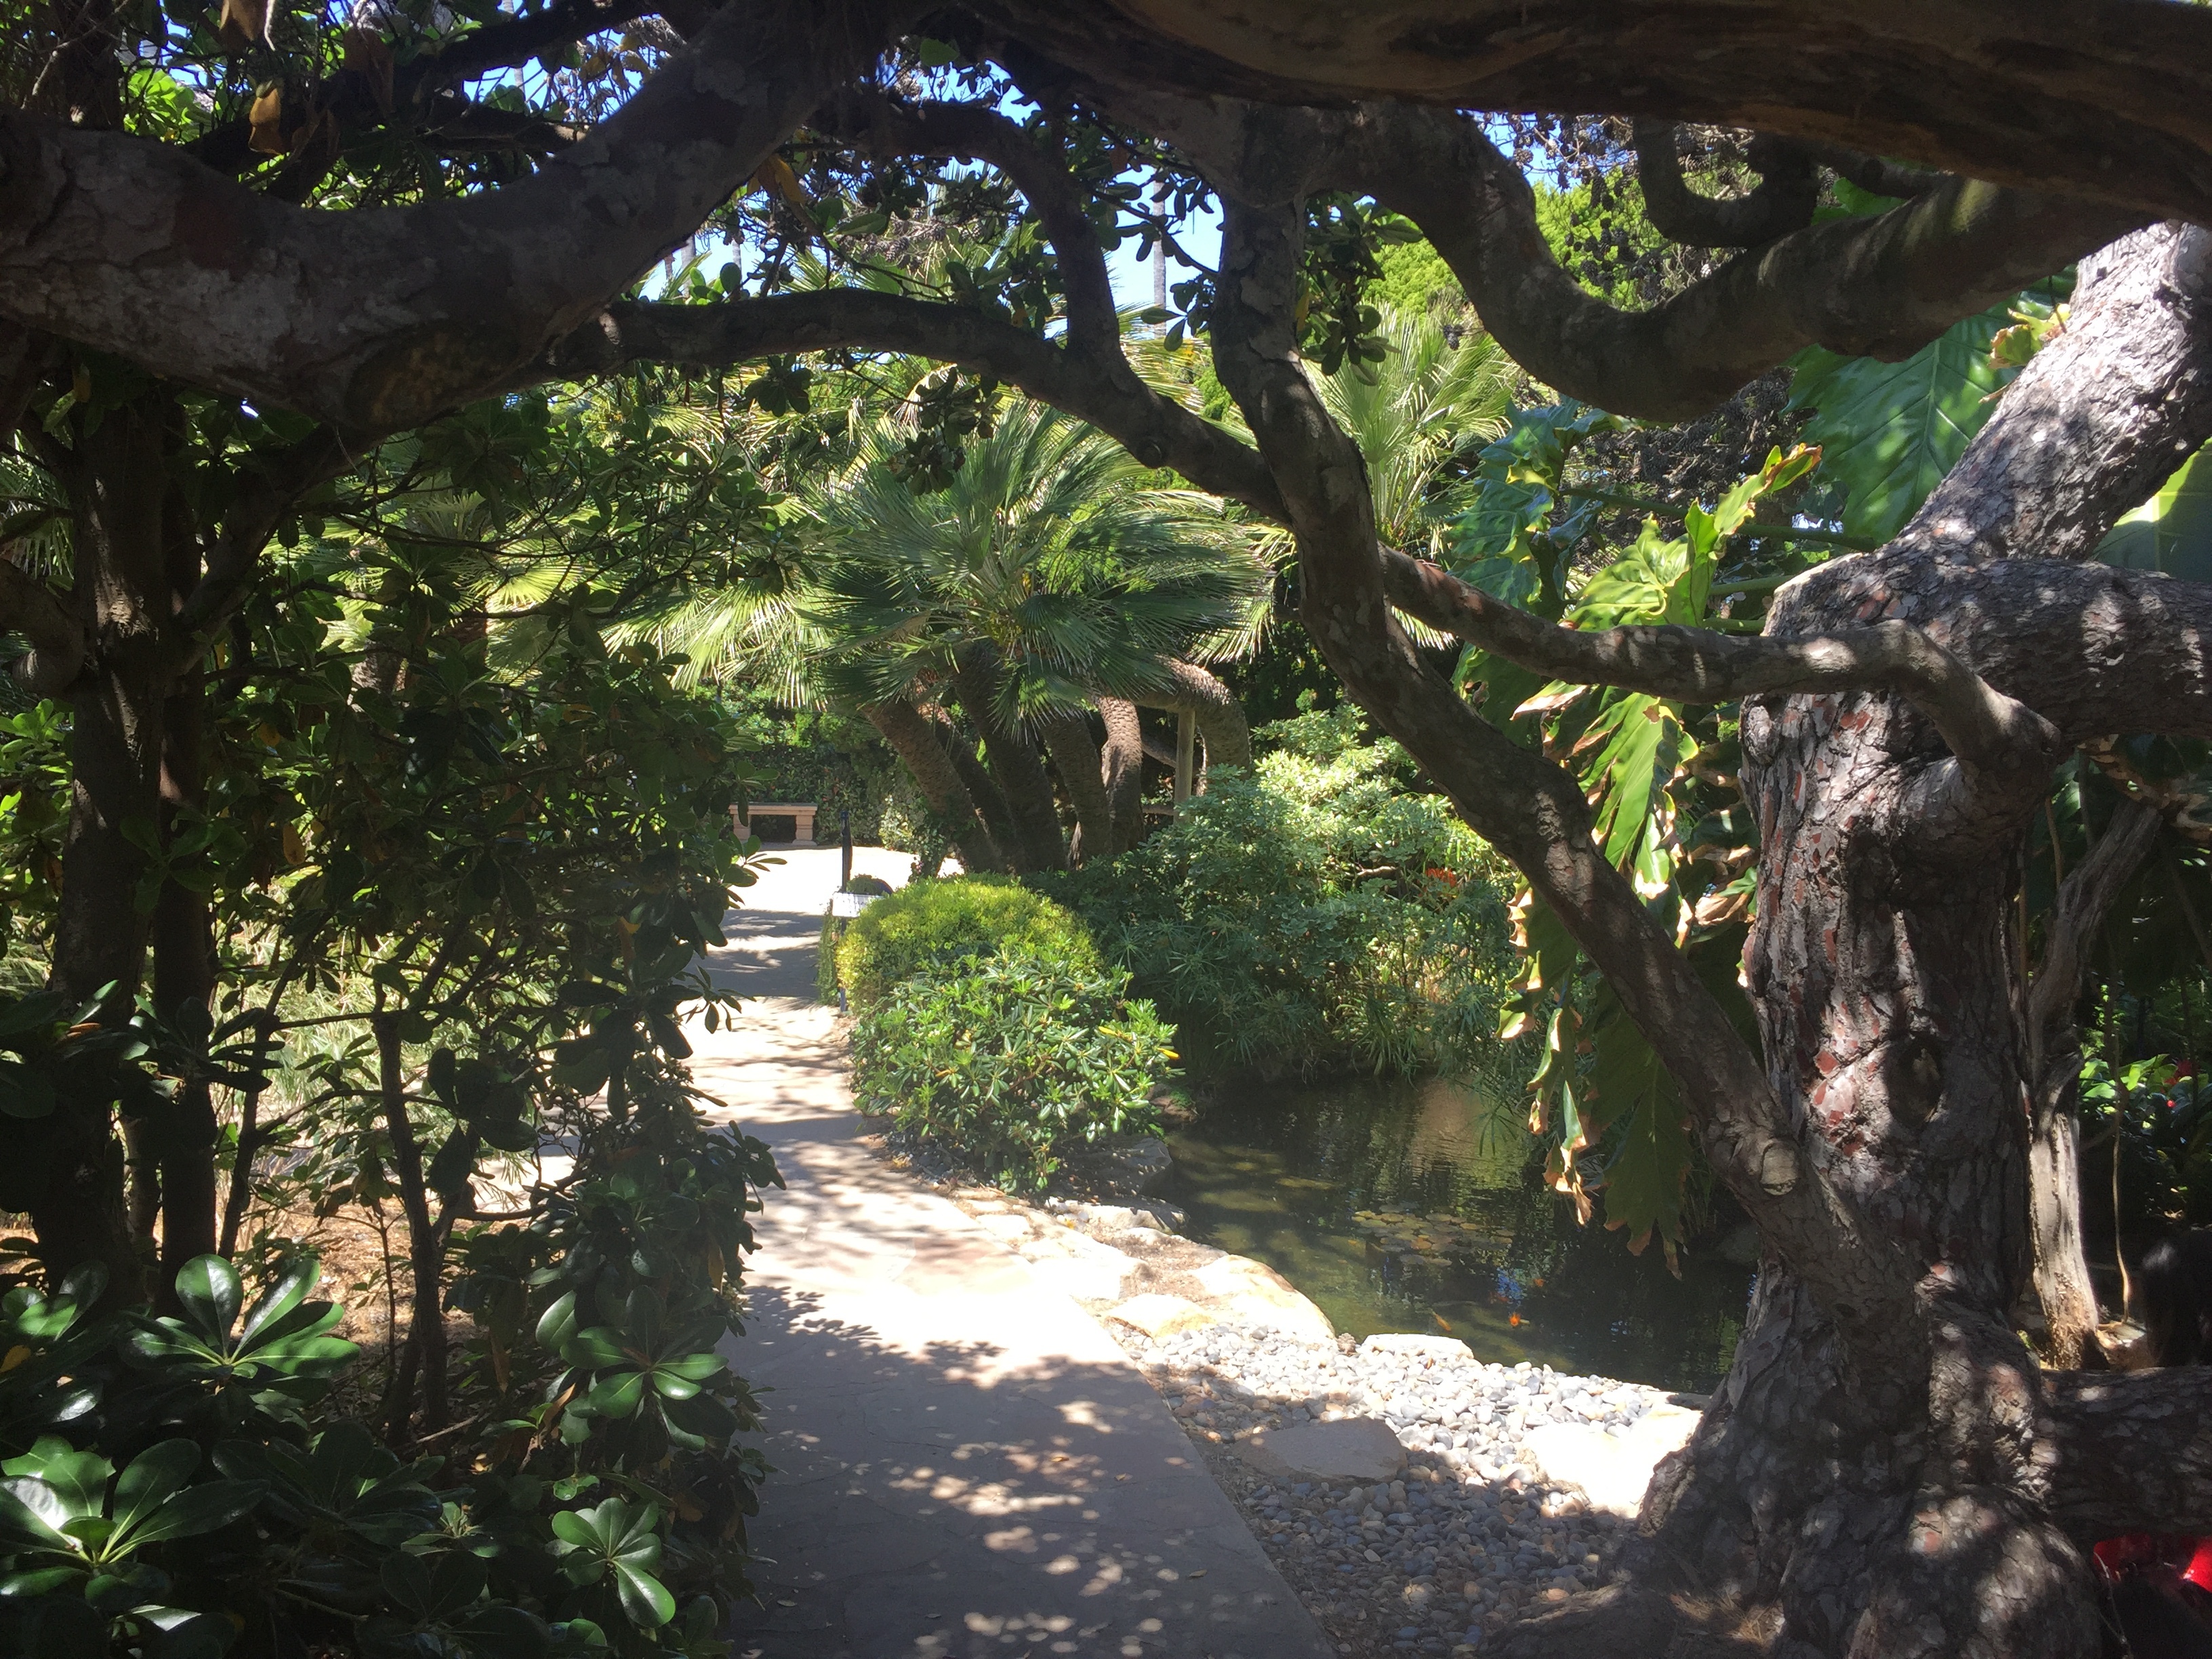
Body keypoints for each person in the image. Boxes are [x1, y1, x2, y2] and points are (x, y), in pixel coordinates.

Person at [2101, 1231, 2212, 1656]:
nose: (2148, 1336)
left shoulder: (2166, 1409)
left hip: (2187, 1606)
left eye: (2154, 1317)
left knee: (2131, 1605)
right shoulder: (2160, 1403)